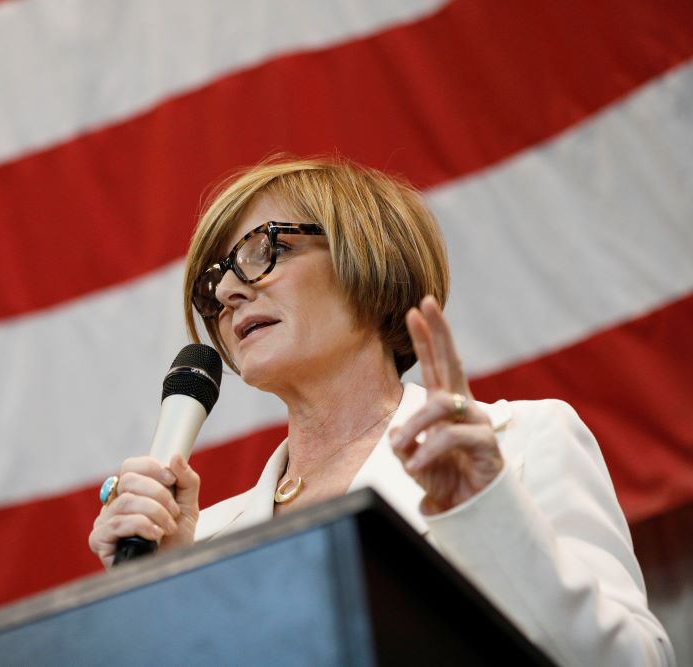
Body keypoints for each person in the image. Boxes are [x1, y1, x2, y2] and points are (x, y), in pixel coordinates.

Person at [88, 156, 675, 666]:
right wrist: (160, 594)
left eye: (264, 251)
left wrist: (485, 510)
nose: (225, 293)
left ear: (367, 256)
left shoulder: (522, 445)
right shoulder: (203, 540)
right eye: (214, 278)